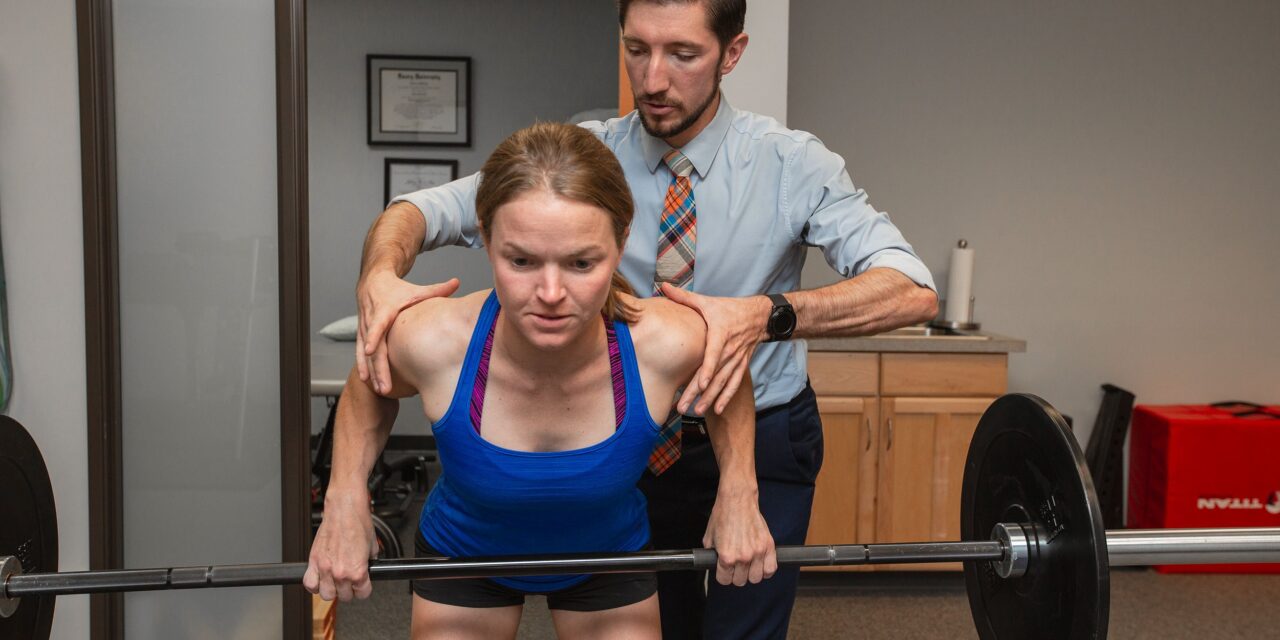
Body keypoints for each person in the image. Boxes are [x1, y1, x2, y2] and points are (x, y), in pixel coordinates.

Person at [353, 1, 940, 637]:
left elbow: (910, 289)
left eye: (683, 54)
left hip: (758, 429)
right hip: (630, 441)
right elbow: (420, 209)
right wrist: (380, 275)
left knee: (746, 627)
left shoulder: (792, 164)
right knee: (669, 622)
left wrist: (764, 316)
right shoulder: (586, 155)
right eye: (638, 49)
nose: (653, 79)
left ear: (731, 53)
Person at [304, 122, 777, 639]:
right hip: (466, 553)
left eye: (581, 263)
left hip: (607, 554)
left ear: (620, 243)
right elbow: (370, 383)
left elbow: (728, 375)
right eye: (522, 260)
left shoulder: (666, 341)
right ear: (486, 239)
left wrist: (739, 490)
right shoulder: (434, 339)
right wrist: (344, 498)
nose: (550, 292)